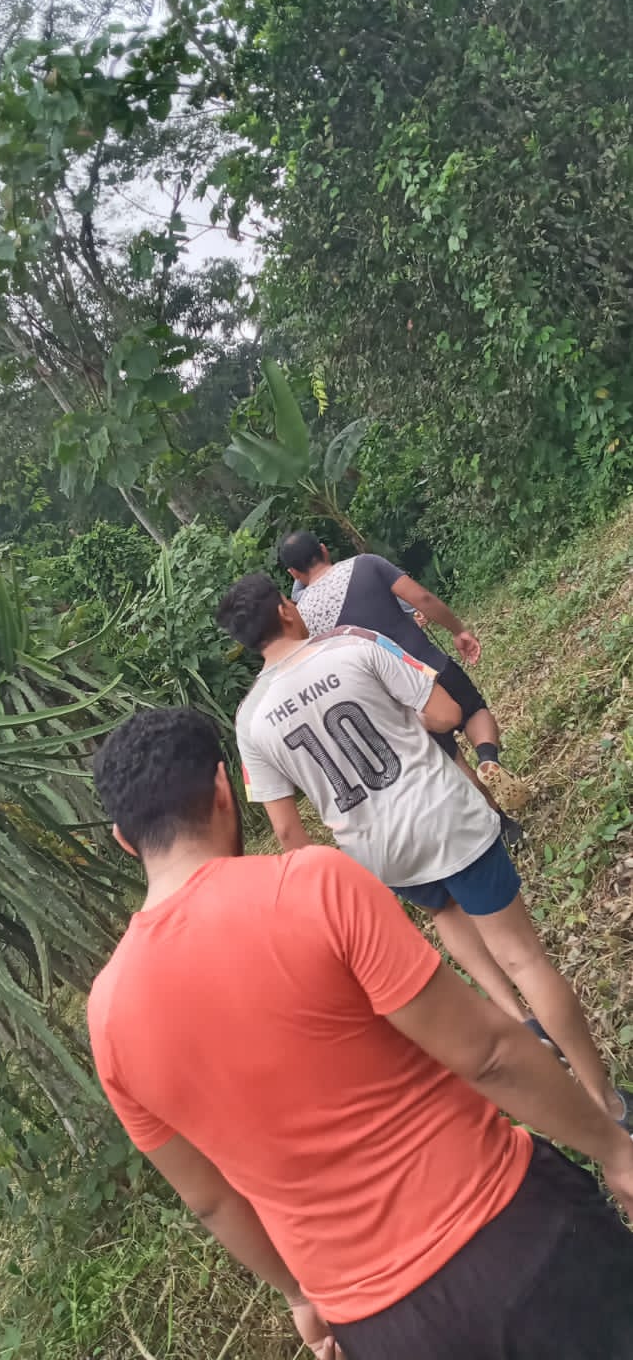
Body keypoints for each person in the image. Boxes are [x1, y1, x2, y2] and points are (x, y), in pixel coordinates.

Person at [88, 705, 633, 1360]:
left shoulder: (107, 1017)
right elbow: (487, 1054)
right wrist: (612, 1147)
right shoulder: (310, 886)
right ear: (224, 789)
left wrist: (300, 1297)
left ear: (125, 840)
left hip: (378, 1327)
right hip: (511, 1231)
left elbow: (210, 1200)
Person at [217, 571, 630, 1125]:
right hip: (443, 814)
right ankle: (605, 1103)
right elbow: (446, 714)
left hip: (380, 852)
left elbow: (289, 834)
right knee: (523, 956)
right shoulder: (355, 643)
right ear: (286, 610)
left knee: (445, 911)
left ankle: (515, 1019)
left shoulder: (249, 721)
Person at [279, 530, 526, 828]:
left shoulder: (303, 620)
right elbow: (422, 598)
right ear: (324, 549)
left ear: (294, 573)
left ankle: (503, 825)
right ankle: (488, 758)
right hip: (429, 664)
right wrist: (458, 630)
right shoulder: (366, 564)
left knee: (451, 758)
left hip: (398, 699)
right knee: (473, 711)